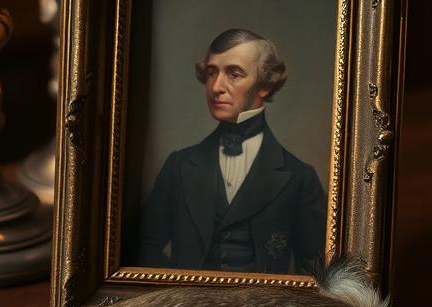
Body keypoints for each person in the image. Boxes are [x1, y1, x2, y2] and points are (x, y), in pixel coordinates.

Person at [138, 28, 327, 275]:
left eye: (234, 74)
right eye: (211, 72)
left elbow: (317, 273)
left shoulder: (300, 177)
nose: (216, 87)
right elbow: (144, 248)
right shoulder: (179, 166)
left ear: (265, 85)